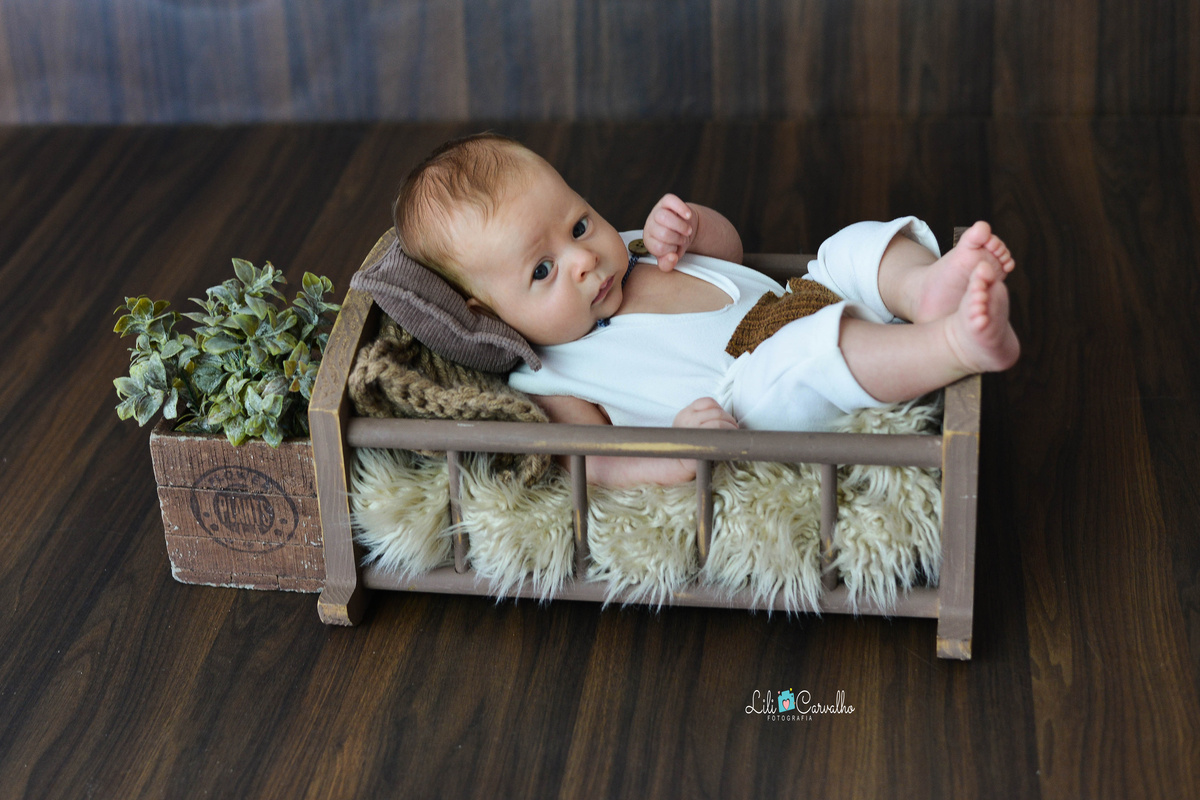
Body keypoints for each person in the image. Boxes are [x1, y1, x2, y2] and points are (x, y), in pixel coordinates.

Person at [392, 133, 1019, 487]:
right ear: (490, 312)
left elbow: (732, 255)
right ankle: (952, 345)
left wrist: (692, 229)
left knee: (849, 248)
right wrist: (678, 453)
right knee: (808, 356)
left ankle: (924, 289)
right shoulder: (547, 374)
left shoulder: (634, 249)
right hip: (746, 394)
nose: (582, 260)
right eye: (541, 271)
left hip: (794, 302)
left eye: (579, 224)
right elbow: (596, 463)